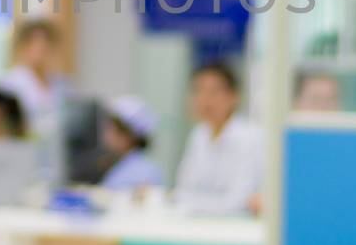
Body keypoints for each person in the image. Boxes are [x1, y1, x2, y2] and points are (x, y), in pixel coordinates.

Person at [174, 61, 264, 216]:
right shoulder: (199, 135)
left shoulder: (250, 137)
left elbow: (240, 201)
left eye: (214, 92)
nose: (205, 99)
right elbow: (182, 191)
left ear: (234, 97)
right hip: (200, 223)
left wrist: (194, 203)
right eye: (198, 91)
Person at [0, 19, 68, 172]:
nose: (41, 50)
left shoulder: (61, 84)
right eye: (35, 44)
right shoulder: (12, 84)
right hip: (22, 155)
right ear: (23, 47)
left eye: (46, 44)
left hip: (55, 155)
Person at [99, 96, 163, 192]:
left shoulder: (143, 174)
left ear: (127, 137)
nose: (105, 135)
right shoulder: (124, 165)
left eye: (110, 129)